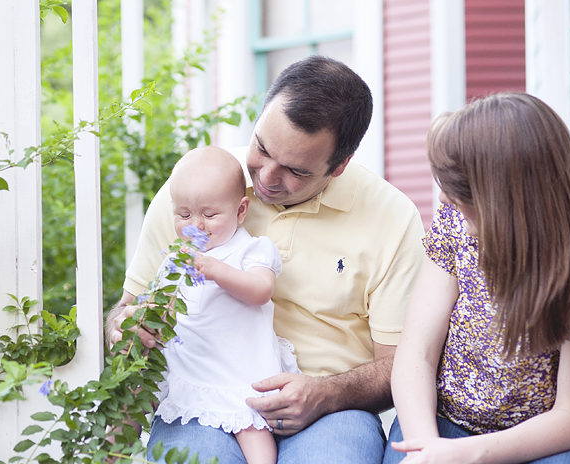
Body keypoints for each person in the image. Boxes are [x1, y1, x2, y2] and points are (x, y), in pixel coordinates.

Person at [106, 55, 425, 463]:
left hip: (330, 411)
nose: (266, 177)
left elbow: (400, 365)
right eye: (261, 147)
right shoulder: (197, 190)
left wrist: (327, 394)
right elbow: (127, 309)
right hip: (204, 395)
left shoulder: (392, 218)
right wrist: (122, 327)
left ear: (340, 166)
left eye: (295, 170)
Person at [384, 92, 570, 464]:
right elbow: (417, 353)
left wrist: (466, 455)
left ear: (500, 197)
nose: (444, 200)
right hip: (444, 423)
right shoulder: (457, 223)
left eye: (458, 190)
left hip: (548, 440)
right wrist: (426, 448)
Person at [151, 146, 299, 464]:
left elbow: (260, 290)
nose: (197, 226)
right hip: (193, 370)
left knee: (253, 431)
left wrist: (215, 270)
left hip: (242, 369)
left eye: (209, 214)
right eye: (184, 214)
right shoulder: (176, 259)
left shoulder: (251, 250)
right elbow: (162, 307)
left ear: (241, 210)